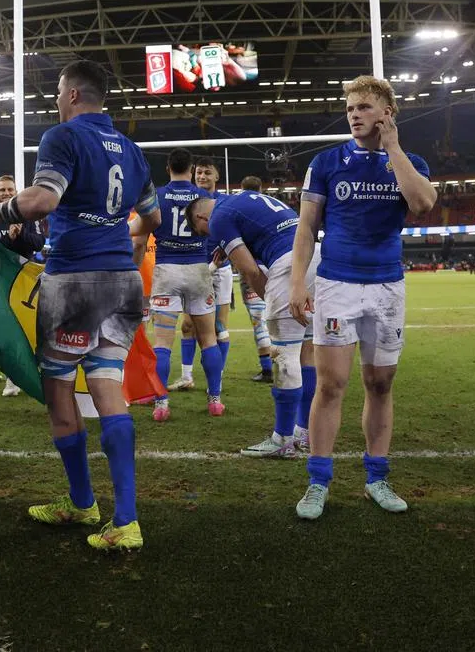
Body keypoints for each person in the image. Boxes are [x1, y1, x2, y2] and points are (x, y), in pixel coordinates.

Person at [0, 60, 160, 551]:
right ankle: (128, 521)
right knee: (106, 387)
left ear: (73, 94)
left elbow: (42, 201)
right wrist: (114, 236)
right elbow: (151, 217)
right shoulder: (134, 151)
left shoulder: (64, 136)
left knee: (58, 389)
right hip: (122, 280)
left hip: (75, 278)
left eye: (57, 90)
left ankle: (81, 503)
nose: (55, 98)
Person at [288, 75, 436, 520]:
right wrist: (298, 281)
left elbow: (423, 204)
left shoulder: (410, 162)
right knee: (331, 385)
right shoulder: (328, 162)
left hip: (387, 286)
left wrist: (393, 150)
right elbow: (306, 227)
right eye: (351, 107)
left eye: (365, 108)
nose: (354, 114)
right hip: (337, 284)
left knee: (380, 384)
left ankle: (376, 478)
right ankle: (318, 482)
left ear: (387, 114)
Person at [187, 188, 320, 458]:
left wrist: (270, 298)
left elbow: (249, 270)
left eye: (203, 231)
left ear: (201, 216)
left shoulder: (218, 217)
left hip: (288, 263)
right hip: (316, 257)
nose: (209, 235)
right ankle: (305, 433)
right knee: (308, 353)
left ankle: (282, 438)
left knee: (284, 354)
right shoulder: (243, 198)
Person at [134, 148, 224, 421]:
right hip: (198, 269)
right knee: (209, 338)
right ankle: (215, 400)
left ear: (168, 168)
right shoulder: (206, 197)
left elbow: (139, 238)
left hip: (167, 271)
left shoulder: (157, 196)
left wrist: (134, 268)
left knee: (162, 341)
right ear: (192, 168)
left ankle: (162, 403)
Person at [170, 156, 233, 393]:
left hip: (221, 271)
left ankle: (217, 379)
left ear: (217, 176)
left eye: (207, 173)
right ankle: (187, 377)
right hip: (195, 269)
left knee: (219, 327)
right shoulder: (190, 202)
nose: (202, 177)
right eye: (198, 173)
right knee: (187, 325)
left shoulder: (225, 202)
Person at [0, 174, 46, 397]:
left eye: (9, 189)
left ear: (16, 192)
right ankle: (9, 376)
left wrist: (21, 234)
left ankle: (26, 375)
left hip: (24, 280)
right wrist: (8, 240)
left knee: (29, 329)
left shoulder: (28, 215)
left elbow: (39, 243)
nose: (6, 193)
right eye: (2, 190)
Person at [238, 175, 276, 382]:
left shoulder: (239, 212)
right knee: (277, 319)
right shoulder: (270, 210)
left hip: (252, 272)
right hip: (275, 270)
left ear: (242, 189)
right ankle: (284, 361)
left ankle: (268, 369)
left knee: (259, 321)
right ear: (261, 189)